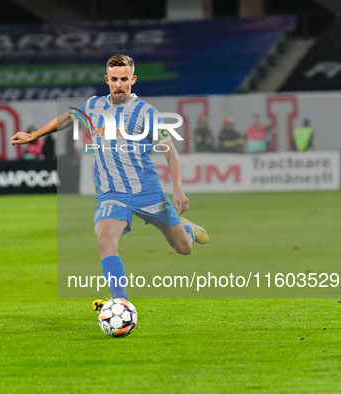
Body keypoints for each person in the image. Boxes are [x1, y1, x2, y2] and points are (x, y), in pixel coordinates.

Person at [11, 54, 208, 310]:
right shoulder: (93, 106)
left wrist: (178, 190)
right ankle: (121, 303)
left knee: (183, 248)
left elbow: (170, 150)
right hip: (111, 194)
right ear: (107, 79)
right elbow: (69, 117)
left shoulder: (146, 112)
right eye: (114, 79)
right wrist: (34, 135)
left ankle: (188, 229)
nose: (118, 84)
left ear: (133, 80)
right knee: (104, 240)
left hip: (148, 192)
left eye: (124, 79)